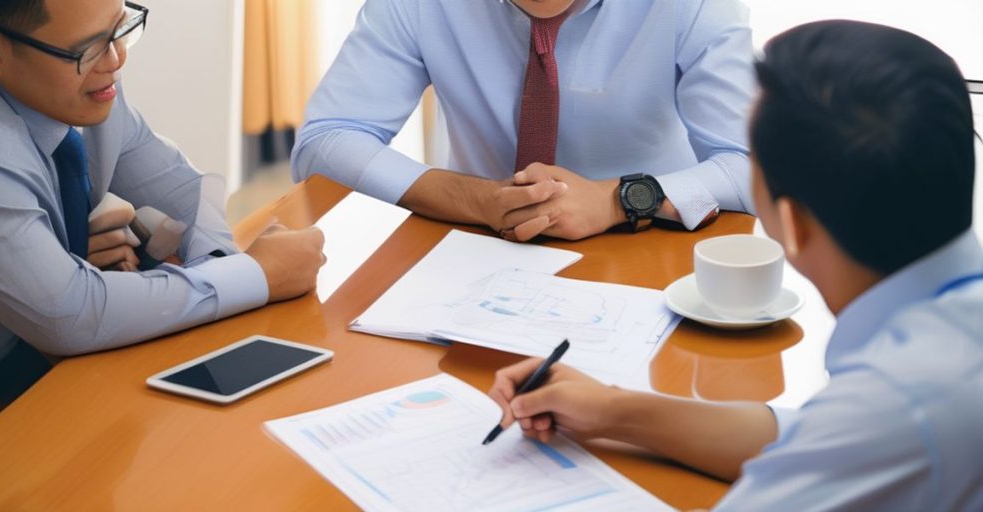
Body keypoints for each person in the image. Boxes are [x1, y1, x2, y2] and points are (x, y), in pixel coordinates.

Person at [488, 20, 983, 510]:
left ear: (790, 222)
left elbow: (854, 437)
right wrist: (613, 409)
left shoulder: (903, 404)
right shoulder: (933, 360)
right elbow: (813, 439)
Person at [0, 0, 325, 439]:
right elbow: (70, 314)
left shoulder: (85, 80)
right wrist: (257, 274)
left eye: (119, 29)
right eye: (88, 49)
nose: (116, 60)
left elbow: (184, 193)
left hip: (47, 369)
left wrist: (209, 271)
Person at [293, 0, 755, 242]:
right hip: (477, 246)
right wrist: (477, 199)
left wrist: (618, 201)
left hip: (651, 240)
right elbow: (324, 143)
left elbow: (755, 168)